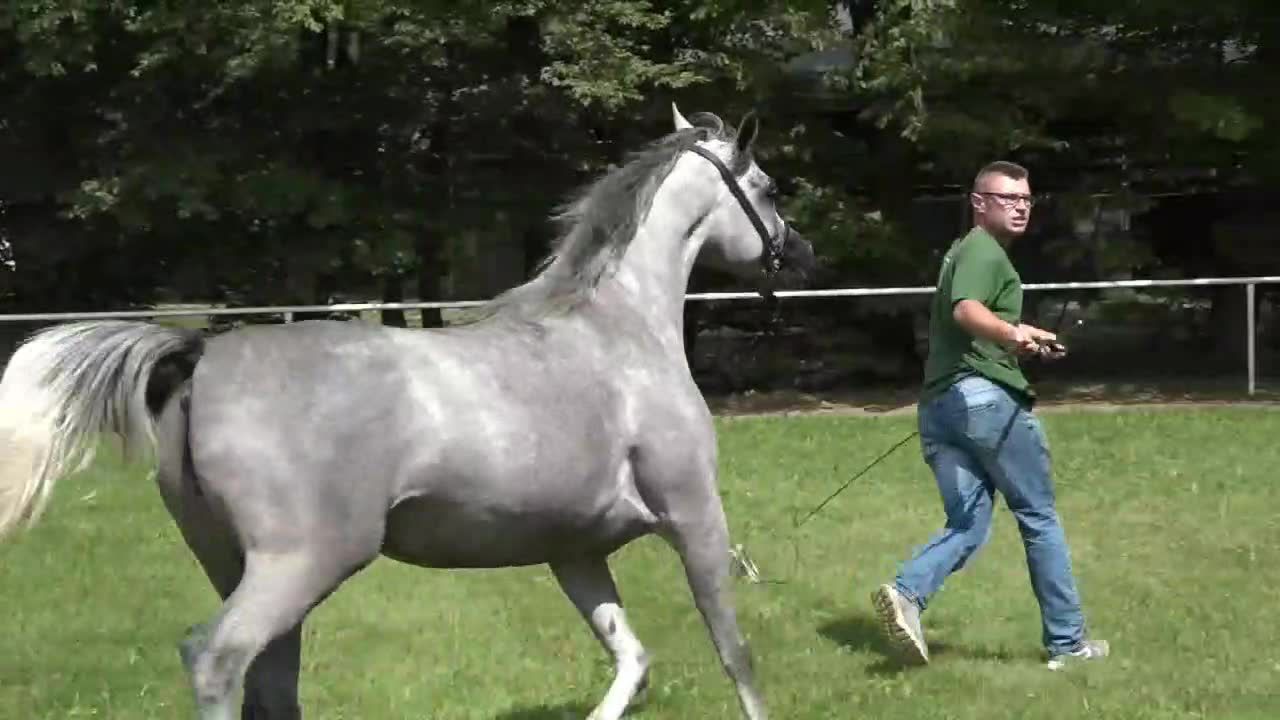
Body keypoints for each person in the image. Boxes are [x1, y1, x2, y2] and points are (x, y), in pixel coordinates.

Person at [870, 161, 1109, 670]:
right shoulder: (983, 248)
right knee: (1039, 516)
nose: (1020, 206)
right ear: (979, 203)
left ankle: (906, 593)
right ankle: (1069, 644)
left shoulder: (962, 253)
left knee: (968, 523)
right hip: (981, 404)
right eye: (1008, 198)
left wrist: (1027, 335)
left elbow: (976, 318)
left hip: (939, 409)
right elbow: (967, 311)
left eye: (1026, 199)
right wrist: (1009, 335)